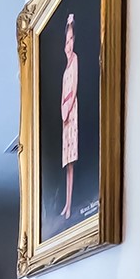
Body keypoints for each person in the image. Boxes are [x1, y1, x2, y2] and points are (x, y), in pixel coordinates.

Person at [60, 14, 79, 221]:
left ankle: (70, 204)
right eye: (67, 40)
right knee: (67, 162)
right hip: (65, 113)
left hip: (71, 113)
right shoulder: (66, 67)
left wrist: (66, 110)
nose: (69, 44)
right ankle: (66, 203)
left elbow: (73, 90)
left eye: (71, 39)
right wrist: (61, 110)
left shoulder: (75, 61)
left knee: (71, 160)